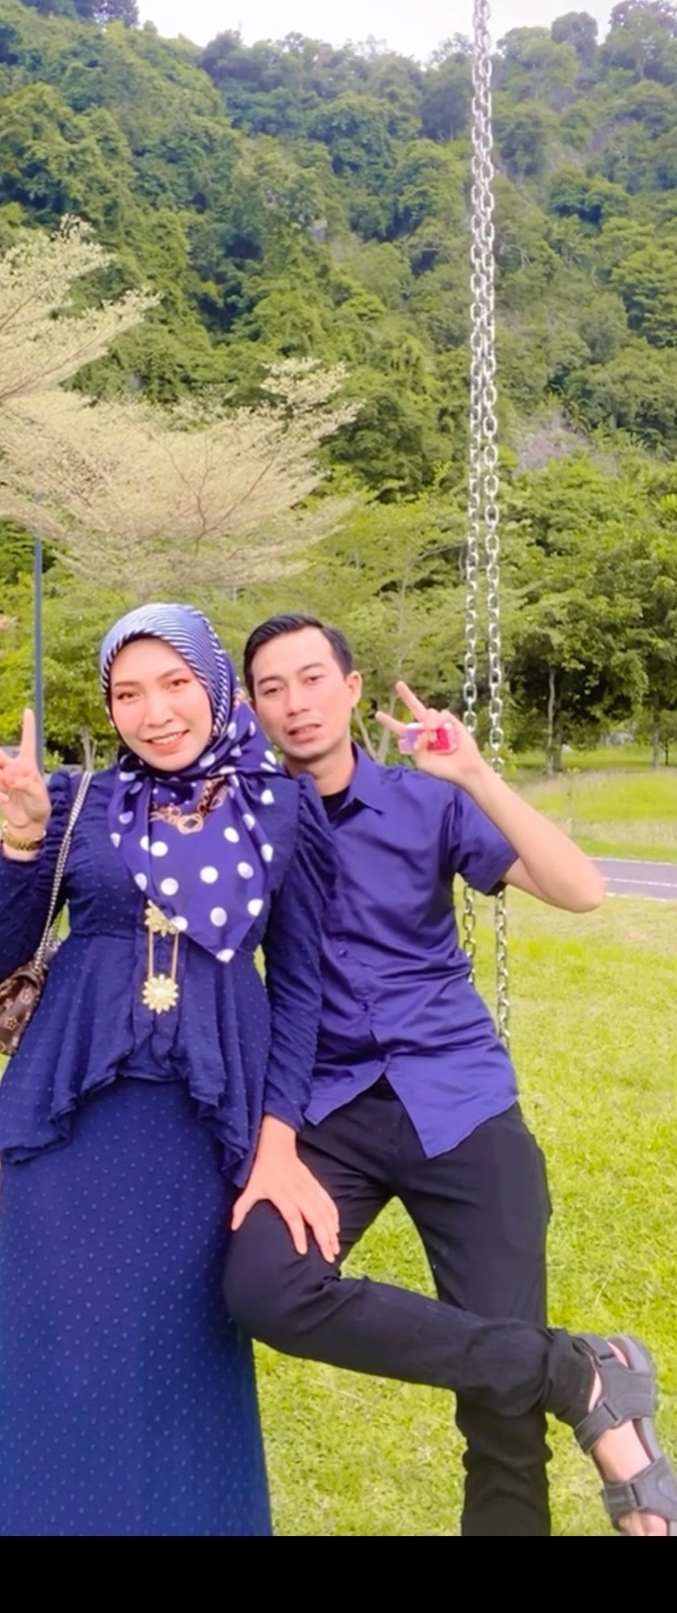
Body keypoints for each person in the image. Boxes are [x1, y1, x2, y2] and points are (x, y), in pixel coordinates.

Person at [223, 613, 677, 1537]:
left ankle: (555, 1397)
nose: (296, 702)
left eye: (313, 678)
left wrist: (473, 774)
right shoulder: (250, 822)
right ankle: (580, 1371)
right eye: (272, 688)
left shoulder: (425, 803)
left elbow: (583, 889)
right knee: (266, 1287)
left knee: (500, 1414)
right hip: (328, 1108)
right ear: (255, 709)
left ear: (352, 688)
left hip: (457, 1099)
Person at [0, 603, 335, 1537]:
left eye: (174, 684)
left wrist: (279, 1141)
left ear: (217, 688)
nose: (154, 713)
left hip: (204, 1130)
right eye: (128, 694)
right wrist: (23, 839)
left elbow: (299, 991)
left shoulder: (278, 808)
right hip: (69, 1125)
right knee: (53, 1352)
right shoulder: (80, 800)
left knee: (180, 1354)